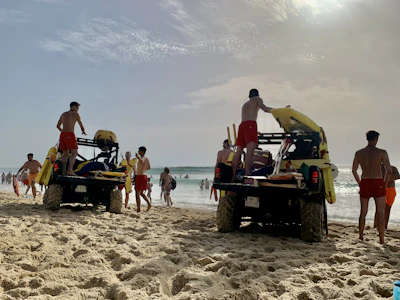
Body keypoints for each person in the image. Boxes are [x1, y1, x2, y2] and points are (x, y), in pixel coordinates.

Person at [231, 89, 290, 180]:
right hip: (251, 125)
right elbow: (265, 109)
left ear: (249, 96)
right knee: (250, 152)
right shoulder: (257, 99)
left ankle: (233, 176)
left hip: (242, 126)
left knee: (238, 152)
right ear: (257, 95)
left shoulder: (245, 105)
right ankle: (247, 175)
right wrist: (280, 111)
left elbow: (246, 121)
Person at [352, 130, 391, 244]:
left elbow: (354, 170)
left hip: (365, 180)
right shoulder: (381, 152)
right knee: (380, 212)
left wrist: (360, 182)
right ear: (376, 139)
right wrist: (384, 183)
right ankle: (381, 239)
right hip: (377, 181)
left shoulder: (359, 153)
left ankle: (361, 236)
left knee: (363, 211)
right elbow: (388, 171)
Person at [56, 101, 87, 176]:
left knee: (65, 153)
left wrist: (63, 132)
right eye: (77, 107)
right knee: (74, 152)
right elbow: (81, 124)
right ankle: (70, 170)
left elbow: (58, 125)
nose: (78, 109)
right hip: (70, 134)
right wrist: (83, 131)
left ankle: (63, 171)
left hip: (62, 134)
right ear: (73, 106)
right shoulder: (76, 114)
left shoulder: (63, 114)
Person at [374, 165, 400, 230]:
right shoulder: (378, 168)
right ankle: (375, 226)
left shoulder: (393, 168)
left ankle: (385, 226)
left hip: (391, 189)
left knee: (388, 208)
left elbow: (398, 176)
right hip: (381, 188)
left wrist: (387, 177)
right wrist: (389, 177)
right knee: (380, 208)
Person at [134, 146, 151, 212]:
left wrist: (138, 157)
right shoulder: (147, 159)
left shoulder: (142, 158)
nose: (138, 152)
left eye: (139, 151)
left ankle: (138, 208)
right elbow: (148, 167)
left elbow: (142, 161)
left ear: (142, 152)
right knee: (141, 193)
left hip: (140, 176)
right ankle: (149, 204)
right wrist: (143, 169)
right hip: (144, 176)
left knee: (137, 193)